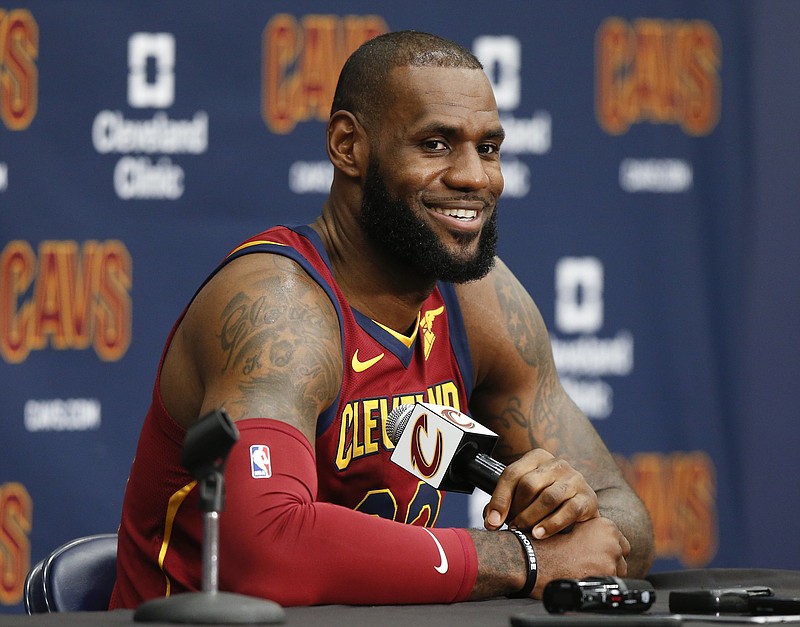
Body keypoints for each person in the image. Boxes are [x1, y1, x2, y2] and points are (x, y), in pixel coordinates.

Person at [110, 30, 654, 609]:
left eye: (489, 148)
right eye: (436, 144)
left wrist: (579, 516)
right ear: (348, 146)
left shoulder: (482, 303)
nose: (475, 176)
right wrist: (524, 558)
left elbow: (625, 516)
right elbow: (265, 547)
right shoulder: (282, 308)